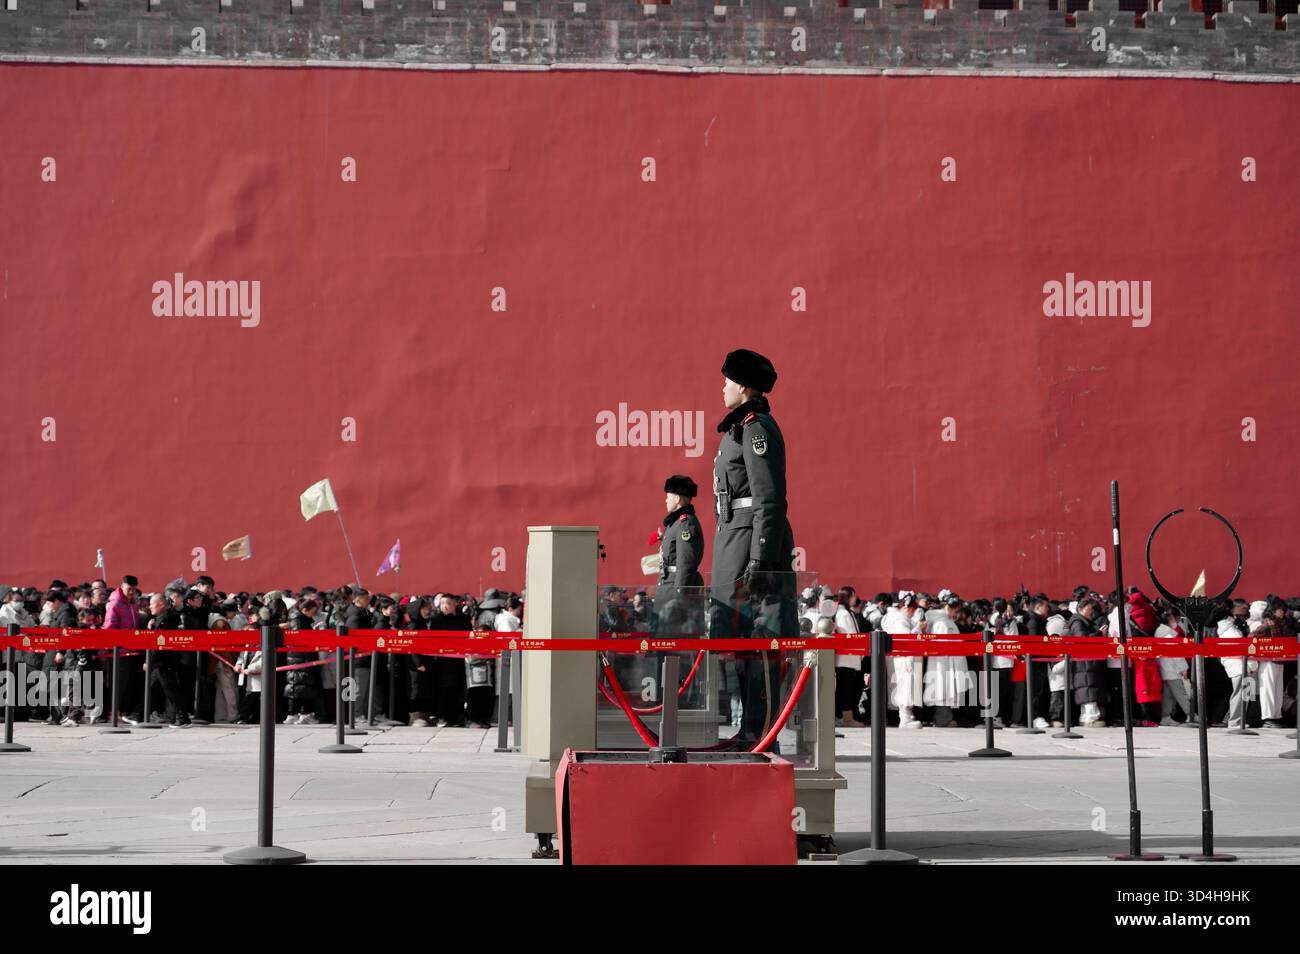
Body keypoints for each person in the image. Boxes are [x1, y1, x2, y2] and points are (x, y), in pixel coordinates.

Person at [710, 348, 795, 741]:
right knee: (741, 645)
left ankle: (761, 731)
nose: (722, 387)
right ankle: (749, 729)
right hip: (735, 536)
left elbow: (770, 497)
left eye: (727, 380)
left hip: (749, 542)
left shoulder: (755, 426)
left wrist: (761, 557)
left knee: (758, 643)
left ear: (743, 386)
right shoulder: (738, 427)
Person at [654, 474, 705, 633]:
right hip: (667, 590)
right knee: (662, 649)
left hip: (674, 597)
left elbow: (686, 565)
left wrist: (679, 599)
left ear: (677, 499)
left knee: (674, 651)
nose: (665, 500)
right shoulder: (674, 524)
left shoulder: (685, 524)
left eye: (668, 496)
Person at [1068, 597, 1108, 727]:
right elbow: (1082, 639)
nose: (1091, 612)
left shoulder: (1081, 622)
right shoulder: (1078, 622)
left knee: (1087, 690)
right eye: (1088, 609)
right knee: (1088, 690)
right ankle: (1090, 718)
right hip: (1084, 663)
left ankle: (1087, 717)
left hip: (1085, 663)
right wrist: (1099, 633)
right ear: (1080, 609)